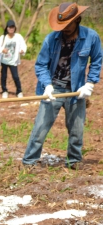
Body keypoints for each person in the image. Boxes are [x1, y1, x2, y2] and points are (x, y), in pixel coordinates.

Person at [22, 2, 101, 170]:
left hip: (76, 90)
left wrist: (89, 84)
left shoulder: (91, 37)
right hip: (54, 88)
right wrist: (47, 85)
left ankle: (74, 160)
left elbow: (96, 61)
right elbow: (41, 65)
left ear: (77, 20)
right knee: (40, 127)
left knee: (76, 130)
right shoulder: (51, 39)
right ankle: (29, 162)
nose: (64, 28)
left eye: (68, 24)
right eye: (61, 24)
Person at [0, 19, 27, 98]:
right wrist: (2, 50)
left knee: (15, 76)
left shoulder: (18, 37)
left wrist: (22, 50)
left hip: (13, 60)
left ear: (15, 28)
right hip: (4, 60)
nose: (11, 29)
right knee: (4, 76)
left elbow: (23, 45)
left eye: (12, 27)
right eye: (9, 27)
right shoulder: (3, 37)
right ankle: (4, 90)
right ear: (7, 28)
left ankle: (19, 91)